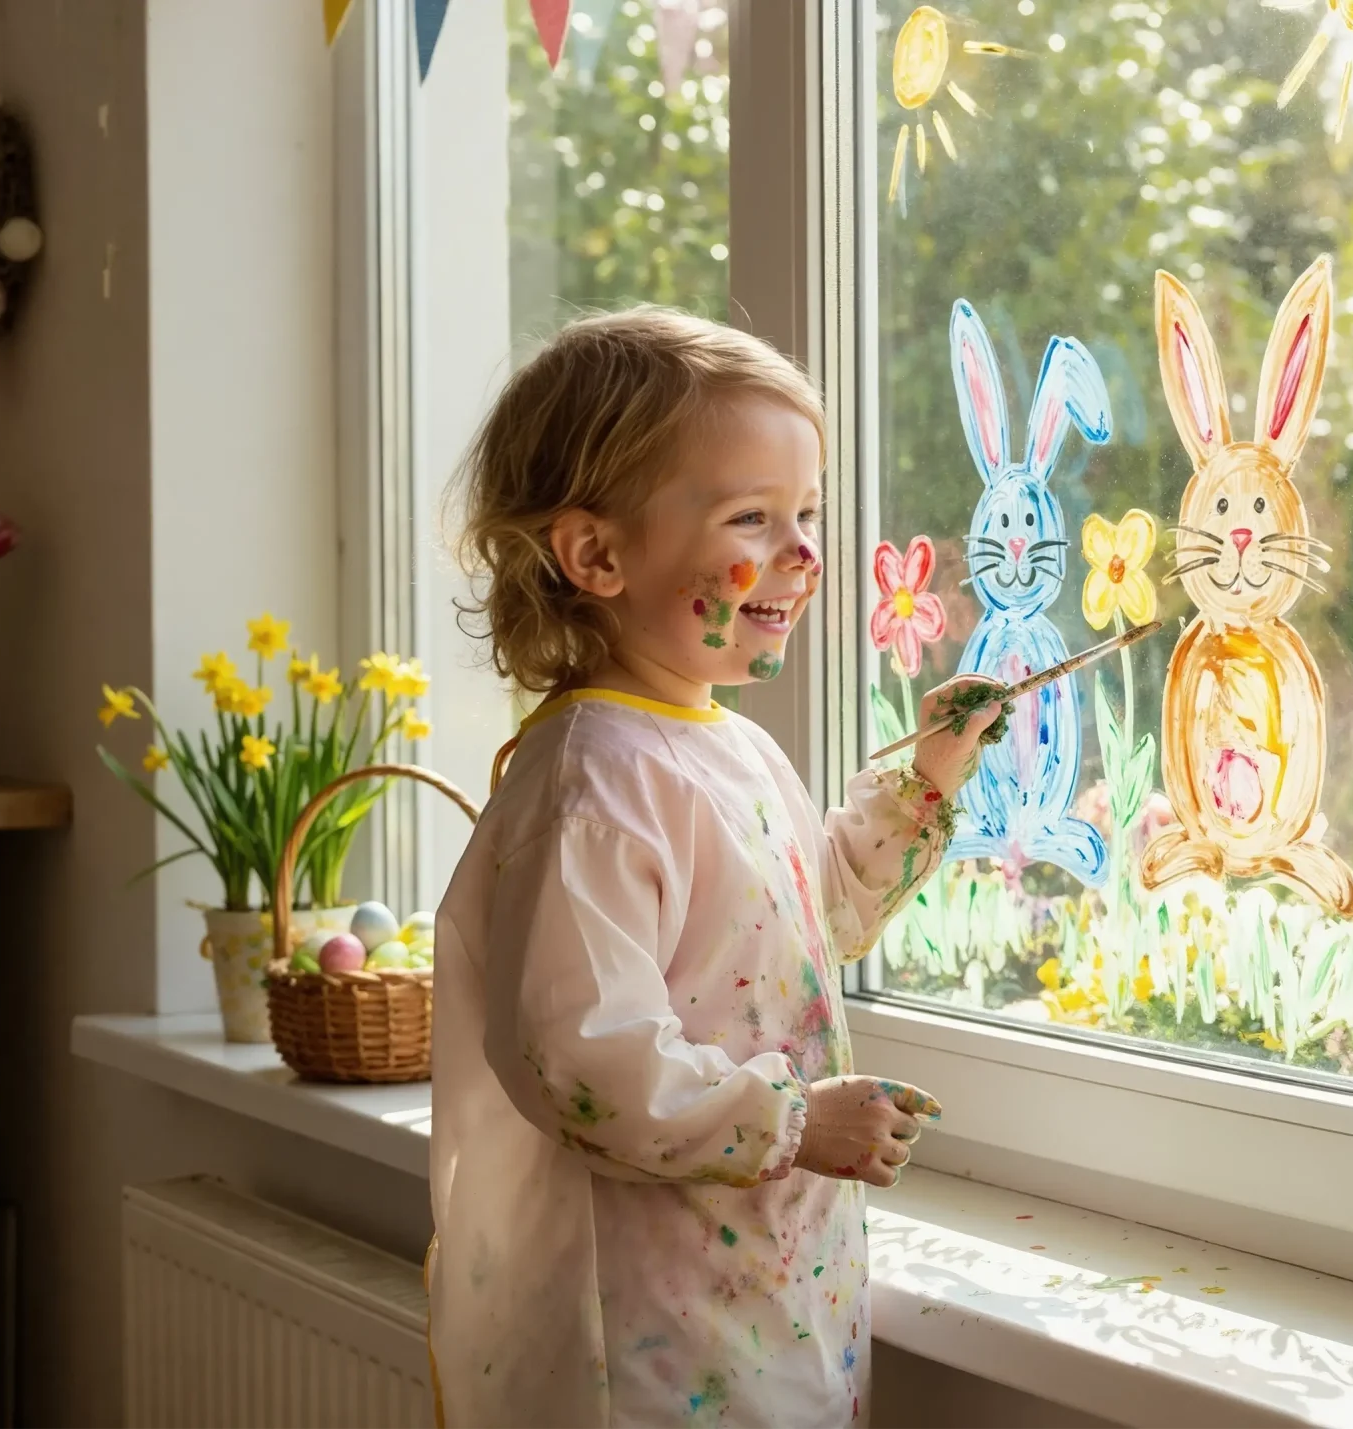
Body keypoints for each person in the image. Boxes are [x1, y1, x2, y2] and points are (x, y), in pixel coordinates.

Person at [429, 307, 1002, 1426]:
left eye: (809, 513)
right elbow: (582, 1060)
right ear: (596, 553)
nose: (803, 554)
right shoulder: (594, 781)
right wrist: (796, 1122)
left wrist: (928, 771)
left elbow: (815, 918)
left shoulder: (725, 744)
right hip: (643, 1332)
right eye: (753, 517)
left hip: (760, 1294)